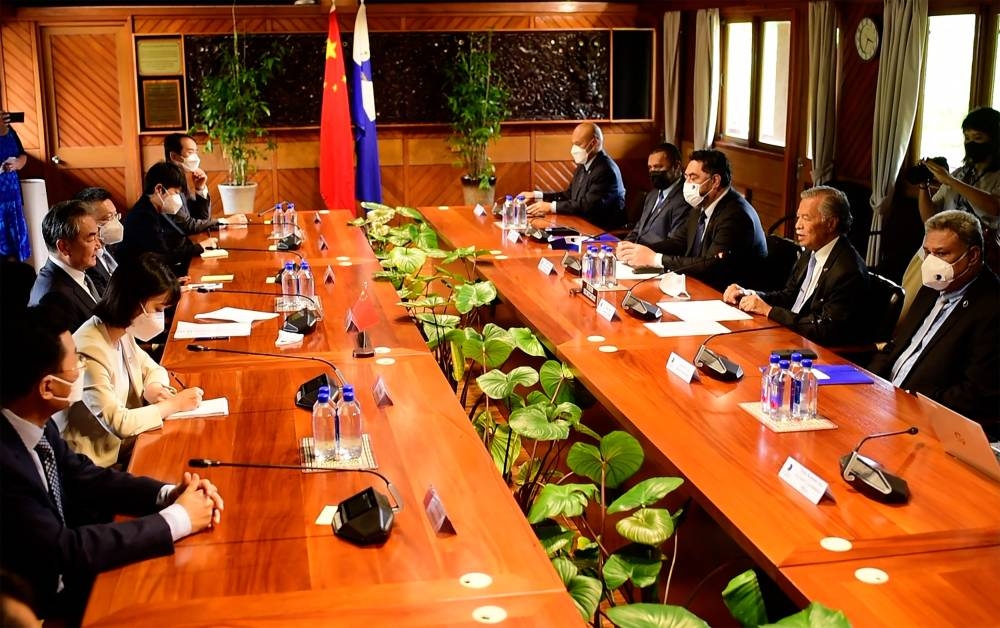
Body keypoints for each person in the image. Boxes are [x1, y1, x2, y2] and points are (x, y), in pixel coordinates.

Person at [0, 304, 223, 622]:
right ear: (47, 387)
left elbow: (83, 476)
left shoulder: (33, 419)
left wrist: (167, 495)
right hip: (45, 608)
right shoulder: (6, 463)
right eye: (74, 363)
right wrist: (178, 519)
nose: (80, 368)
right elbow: (65, 551)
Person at [869, 210, 999, 439]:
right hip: (884, 400)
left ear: (973, 255)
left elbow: (976, 393)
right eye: (928, 252)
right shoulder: (933, 286)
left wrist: (911, 401)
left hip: (929, 424)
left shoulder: (992, 307)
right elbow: (897, 347)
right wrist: (869, 383)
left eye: (941, 253)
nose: (931, 263)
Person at [65, 254, 203, 468]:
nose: (159, 317)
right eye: (158, 309)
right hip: (98, 462)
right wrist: (173, 404)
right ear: (133, 301)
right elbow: (119, 423)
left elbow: (152, 368)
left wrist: (154, 386)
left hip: (128, 445)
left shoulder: (121, 329)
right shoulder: (88, 348)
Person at [722, 186, 870, 346]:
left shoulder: (848, 270)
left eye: (806, 218)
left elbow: (826, 329)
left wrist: (769, 311)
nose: (797, 225)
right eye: (798, 217)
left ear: (831, 224)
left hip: (813, 350)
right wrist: (750, 295)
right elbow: (789, 296)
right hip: (789, 335)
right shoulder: (811, 251)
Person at [617, 149, 767, 291]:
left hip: (730, 297)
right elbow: (678, 242)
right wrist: (638, 250)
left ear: (715, 181)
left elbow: (711, 266)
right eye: (686, 176)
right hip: (701, 286)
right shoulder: (701, 205)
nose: (687, 183)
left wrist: (655, 259)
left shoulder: (736, 215)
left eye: (693, 177)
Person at [901, 106, 1000, 317]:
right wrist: (924, 185)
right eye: (967, 137)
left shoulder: (994, 178)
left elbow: (994, 207)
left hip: (974, 262)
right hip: (934, 254)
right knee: (910, 312)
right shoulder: (961, 172)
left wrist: (951, 181)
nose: (971, 143)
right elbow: (930, 218)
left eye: (978, 137)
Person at [117, 162, 217, 277]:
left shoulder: (152, 208)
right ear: (159, 189)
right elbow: (163, 257)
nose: (177, 198)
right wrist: (199, 247)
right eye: (176, 193)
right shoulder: (144, 216)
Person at [519, 122, 626, 230]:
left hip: (601, 231)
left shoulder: (605, 170)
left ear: (593, 143)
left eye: (579, 144)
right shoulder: (584, 164)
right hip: (580, 224)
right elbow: (568, 195)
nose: (574, 149)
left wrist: (551, 207)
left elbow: (588, 207)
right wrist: (536, 195)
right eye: (573, 144)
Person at [28, 200, 103, 332]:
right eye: (91, 239)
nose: (98, 245)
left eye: (97, 236)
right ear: (64, 247)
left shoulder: (79, 268)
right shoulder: (55, 297)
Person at [163, 133, 247, 233]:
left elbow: (201, 219)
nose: (195, 157)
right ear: (174, 156)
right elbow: (186, 226)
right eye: (190, 152)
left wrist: (200, 189)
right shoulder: (166, 181)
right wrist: (225, 222)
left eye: (196, 152)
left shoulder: (180, 177)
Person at [621, 142, 690, 247]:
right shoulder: (652, 194)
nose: (653, 172)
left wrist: (640, 251)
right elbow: (638, 229)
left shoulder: (685, 198)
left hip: (654, 256)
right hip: (635, 253)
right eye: (650, 168)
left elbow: (674, 243)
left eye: (658, 167)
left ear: (676, 166)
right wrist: (625, 245)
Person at [74, 187, 122, 296]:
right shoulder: (86, 261)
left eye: (115, 216)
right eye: (109, 218)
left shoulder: (112, 246)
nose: (115, 223)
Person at [0, 111, 30, 261]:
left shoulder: (10, 130)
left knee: (14, 245)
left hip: (12, 197)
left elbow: (23, 155)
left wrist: (17, 163)